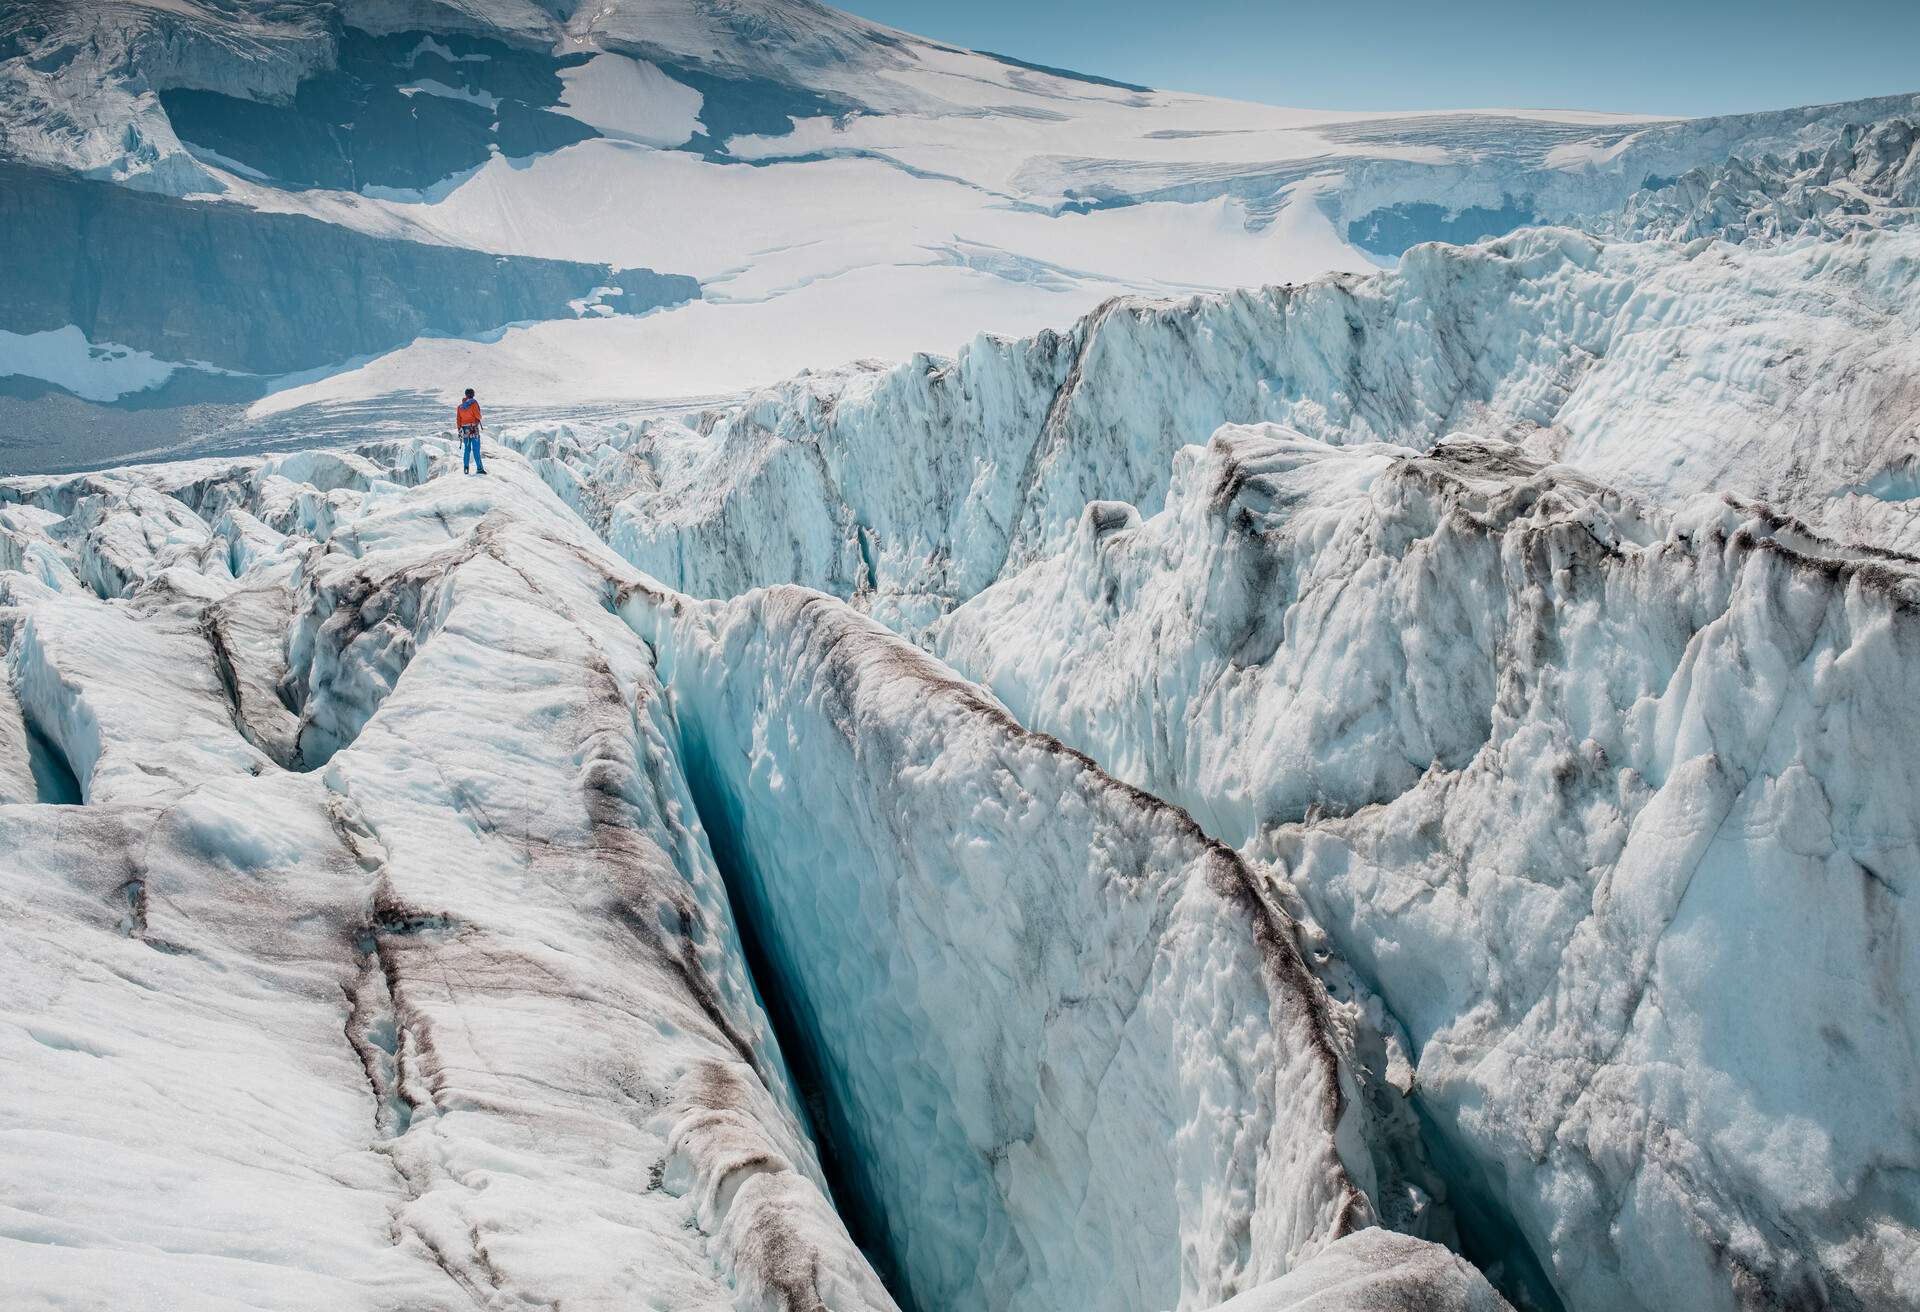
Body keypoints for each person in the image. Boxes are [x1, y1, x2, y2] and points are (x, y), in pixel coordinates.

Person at [457, 388, 486, 475]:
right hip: (474, 429)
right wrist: (479, 417)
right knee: (476, 449)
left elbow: (458, 419)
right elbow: (478, 416)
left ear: (465, 395)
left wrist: (459, 429)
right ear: (473, 394)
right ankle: (479, 469)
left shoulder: (460, 407)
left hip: (465, 430)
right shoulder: (473, 403)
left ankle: (466, 468)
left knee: (467, 449)